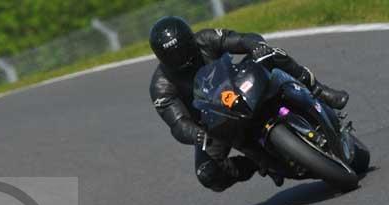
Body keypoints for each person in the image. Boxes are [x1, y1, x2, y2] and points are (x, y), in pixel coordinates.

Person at [148, 16, 350, 192]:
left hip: (239, 86)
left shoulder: (205, 38)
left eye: (183, 49)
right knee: (207, 174)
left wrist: (256, 46)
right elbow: (178, 123)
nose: (181, 57)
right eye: (172, 55)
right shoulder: (161, 86)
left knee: (272, 54)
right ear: (161, 57)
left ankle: (319, 90)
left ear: (190, 39)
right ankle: (256, 163)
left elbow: (240, 39)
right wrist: (196, 134)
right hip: (213, 123)